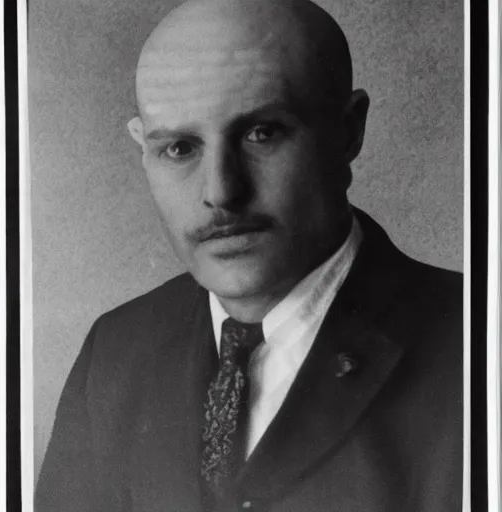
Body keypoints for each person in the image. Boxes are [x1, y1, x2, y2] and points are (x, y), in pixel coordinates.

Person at [35, 0, 463, 510]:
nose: (221, 192)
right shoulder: (115, 352)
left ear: (348, 131)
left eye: (262, 133)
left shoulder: (477, 345)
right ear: (143, 150)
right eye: (179, 148)